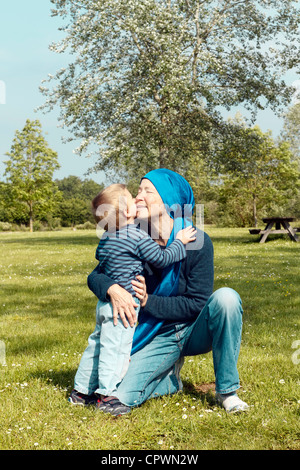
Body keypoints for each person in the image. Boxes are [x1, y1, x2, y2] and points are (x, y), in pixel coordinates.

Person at [77, 169, 249, 415]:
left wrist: (147, 301)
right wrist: (112, 288)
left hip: (192, 328)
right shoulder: (132, 235)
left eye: (147, 191)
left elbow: (197, 303)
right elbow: (95, 275)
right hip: (156, 333)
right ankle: (169, 380)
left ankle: (227, 392)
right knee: (118, 397)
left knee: (227, 298)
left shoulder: (196, 241)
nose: (138, 197)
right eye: (138, 191)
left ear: (169, 200)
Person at [69, 183, 197, 413]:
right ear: (128, 212)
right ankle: (106, 395)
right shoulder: (137, 235)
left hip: (104, 306)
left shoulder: (107, 239)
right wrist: (180, 242)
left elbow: (101, 260)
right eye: (132, 197)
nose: (137, 200)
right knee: (116, 350)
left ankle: (80, 391)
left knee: (96, 345)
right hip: (125, 306)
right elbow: (162, 258)